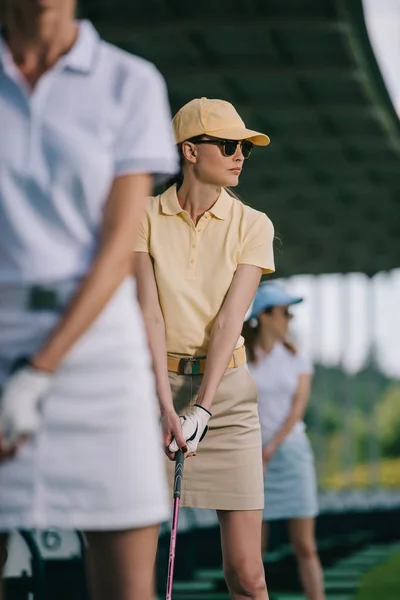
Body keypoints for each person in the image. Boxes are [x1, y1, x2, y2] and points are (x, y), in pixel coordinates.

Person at [0, 2, 178, 599]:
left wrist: (39, 369)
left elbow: (118, 245)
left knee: (127, 585)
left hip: (99, 343)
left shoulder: (128, 81)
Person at [135, 96, 275, 600]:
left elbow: (228, 323)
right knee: (128, 571)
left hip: (228, 398)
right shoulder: (145, 215)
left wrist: (203, 408)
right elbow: (149, 314)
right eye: (229, 144)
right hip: (154, 389)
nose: (240, 154)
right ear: (190, 151)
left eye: (245, 147)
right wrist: (162, 402)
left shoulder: (254, 225)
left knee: (247, 575)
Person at [243, 282, 325, 600]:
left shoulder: (297, 357)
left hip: (290, 454)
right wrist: (257, 452)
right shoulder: (241, 356)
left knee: (305, 545)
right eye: (285, 312)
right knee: (253, 550)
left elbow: (297, 407)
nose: (289, 319)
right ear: (264, 316)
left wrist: (272, 447)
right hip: (251, 459)